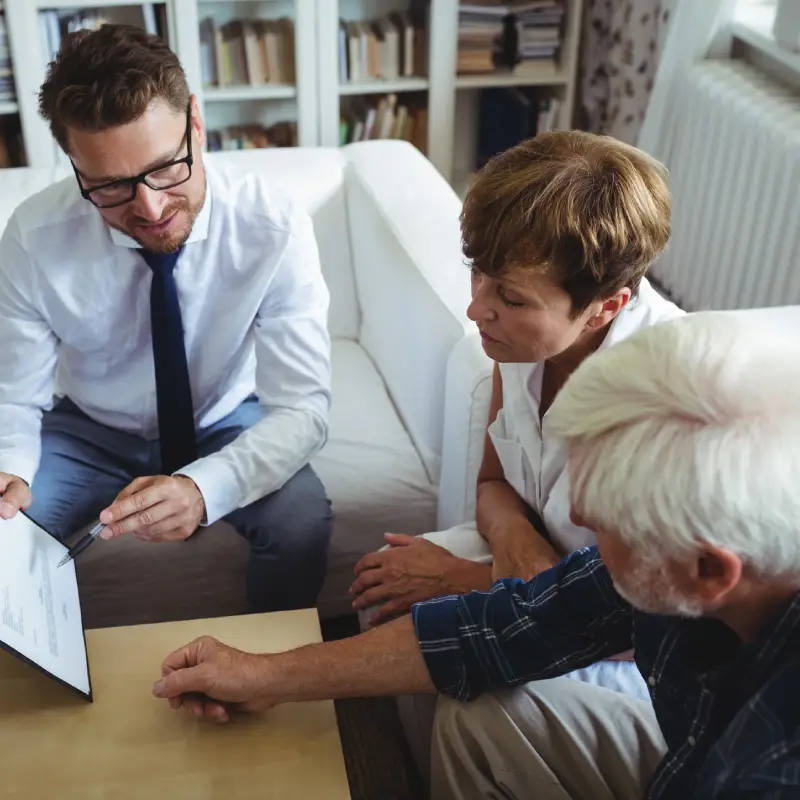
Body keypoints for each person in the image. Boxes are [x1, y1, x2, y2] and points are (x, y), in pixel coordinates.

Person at [152, 311, 800, 799]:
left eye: (604, 523)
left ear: (710, 571)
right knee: (481, 717)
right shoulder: (698, 550)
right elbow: (501, 628)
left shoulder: (773, 764)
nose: (573, 520)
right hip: (686, 753)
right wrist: (264, 675)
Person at [0, 25, 333, 612]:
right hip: (88, 431)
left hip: (223, 418)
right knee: (7, 538)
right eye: (109, 187)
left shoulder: (274, 225)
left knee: (301, 521)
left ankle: (268, 679)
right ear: (74, 165)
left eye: (165, 168)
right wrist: (9, 471)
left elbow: (303, 409)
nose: (150, 208)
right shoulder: (33, 236)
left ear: (196, 124)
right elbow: (14, 398)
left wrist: (205, 489)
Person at [351, 130, 683, 702]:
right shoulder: (525, 345)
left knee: (482, 690)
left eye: (511, 298)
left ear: (606, 308)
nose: (476, 308)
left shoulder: (666, 411)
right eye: (477, 273)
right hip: (538, 571)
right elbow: (492, 483)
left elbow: (642, 623)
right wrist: (515, 542)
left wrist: (467, 579)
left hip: (625, 648)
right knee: (384, 581)